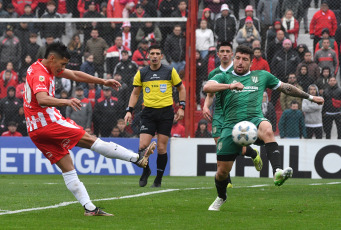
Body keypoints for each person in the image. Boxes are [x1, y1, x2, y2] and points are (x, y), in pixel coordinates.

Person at [23, 42, 156, 216]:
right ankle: (136, 159)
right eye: (62, 64)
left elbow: (75, 75)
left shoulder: (42, 66)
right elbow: (42, 99)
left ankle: (89, 208)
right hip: (48, 122)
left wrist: (102, 81)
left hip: (35, 130)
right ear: (52, 58)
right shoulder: (41, 74)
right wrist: (66, 101)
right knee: (92, 140)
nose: (63, 69)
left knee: (68, 167)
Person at [203, 45, 324, 211]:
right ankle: (221, 196)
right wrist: (230, 86)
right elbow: (207, 88)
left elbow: (286, 87)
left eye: (245, 59)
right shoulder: (223, 76)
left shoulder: (261, 76)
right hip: (230, 126)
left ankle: (277, 172)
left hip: (254, 120)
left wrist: (310, 96)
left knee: (267, 128)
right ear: (233, 59)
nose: (240, 62)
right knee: (222, 172)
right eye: (238, 58)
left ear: (251, 63)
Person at [203, 42, 263, 189]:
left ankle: (251, 153)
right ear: (218, 54)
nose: (224, 54)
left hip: (235, 114)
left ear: (232, 55)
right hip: (219, 114)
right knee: (220, 146)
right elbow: (210, 94)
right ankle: (227, 180)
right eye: (221, 51)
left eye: (227, 51)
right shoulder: (216, 73)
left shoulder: (240, 69)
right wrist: (205, 106)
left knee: (237, 146)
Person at [124, 44, 186, 188]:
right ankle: (146, 171)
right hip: (148, 113)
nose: (155, 56)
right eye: (152, 53)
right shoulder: (142, 72)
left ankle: (158, 179)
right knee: (142, 146)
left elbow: (181, 88)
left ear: (161, 56)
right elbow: (135, 93)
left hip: (166, 113)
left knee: (161, 148)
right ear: (148, 56)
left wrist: (181, 107)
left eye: (158, 53)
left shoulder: (170, 71)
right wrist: (129, 110)